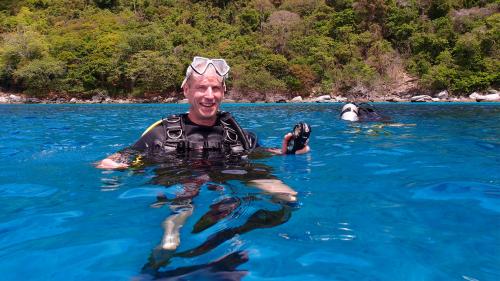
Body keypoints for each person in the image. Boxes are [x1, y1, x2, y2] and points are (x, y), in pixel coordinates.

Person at [96, 56, 311, 253]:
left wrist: (290, 152)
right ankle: (170, 237)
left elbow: (260, 152)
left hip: (231, 171)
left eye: (215, 88)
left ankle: (247, 225)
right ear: (186, 90)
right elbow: (129, 153)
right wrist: (112, 162)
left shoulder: (239, 135)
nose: (209, 96)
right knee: (183, 209)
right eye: (201, 88)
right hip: (183, 176)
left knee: (290, 198)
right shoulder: (161, 133)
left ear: (223, 91)